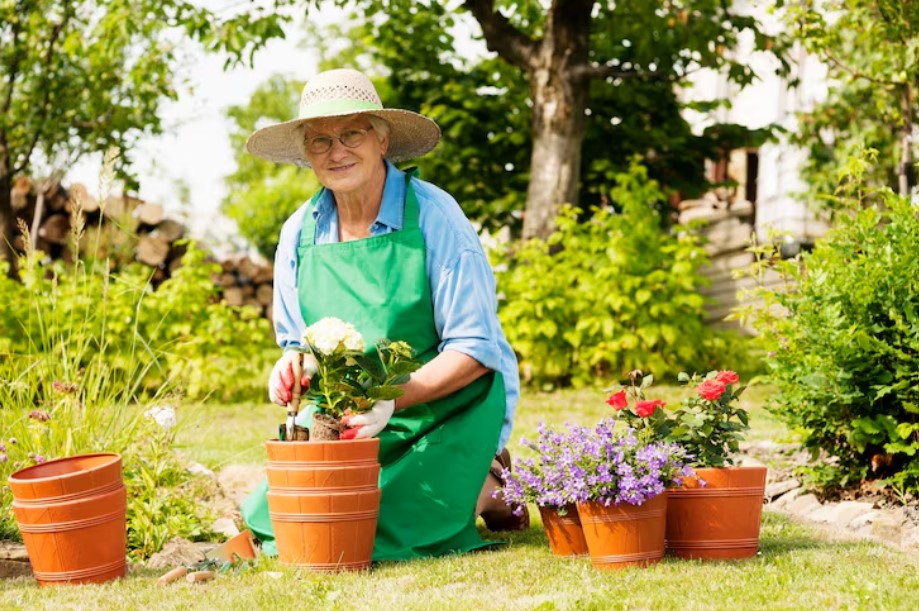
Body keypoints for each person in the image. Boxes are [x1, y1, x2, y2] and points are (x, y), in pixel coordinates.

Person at [239, 68, 527, 561]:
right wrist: (291, 364)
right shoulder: (298, 232)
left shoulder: (436, 217)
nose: (336, 151)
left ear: (382, 138)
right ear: (307, 153)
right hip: (349, 415)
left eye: (351, 133)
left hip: (444, 404)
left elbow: (476, 349)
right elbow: (298, 342)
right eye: (320, 140)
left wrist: (396, 397)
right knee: (284, 521)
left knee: (387, 525)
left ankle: (495, 483)